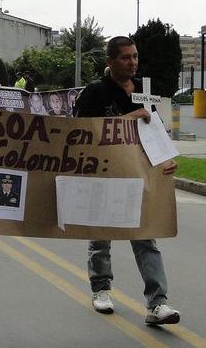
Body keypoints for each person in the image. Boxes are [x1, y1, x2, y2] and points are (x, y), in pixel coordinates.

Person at [74, 36, 180, 325]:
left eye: (134, 56)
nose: (132, 62)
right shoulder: (95, 93)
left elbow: (154, 129)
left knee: (146, 238)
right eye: (125, 57)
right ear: (110, 62)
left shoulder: (146, 91)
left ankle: (158, 303)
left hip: (138, 176)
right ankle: (101, 289)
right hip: (103, 176)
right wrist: (130, 117)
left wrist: (166, 158)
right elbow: (81, 132)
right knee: (101, 237)